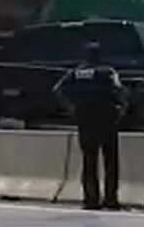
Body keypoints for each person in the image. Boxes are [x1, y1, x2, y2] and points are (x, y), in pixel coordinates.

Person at [52, 40, 129, 211]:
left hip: (84, 116)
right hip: (106, 115)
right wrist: (123, 107)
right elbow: (119, 89)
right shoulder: (107, 71)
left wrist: (71, 108)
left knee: (89, 159)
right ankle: (110, 199)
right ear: (100, 55)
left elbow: (57, 90)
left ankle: (91, 200)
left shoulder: (75, 72)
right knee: (110, 159)